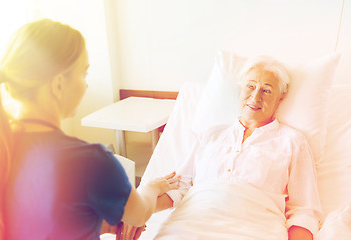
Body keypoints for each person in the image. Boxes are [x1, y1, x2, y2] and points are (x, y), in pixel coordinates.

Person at [0, 19, 179, 240]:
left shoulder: (1, 147)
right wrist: (151, 188)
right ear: (58, 84)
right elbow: (139, 216)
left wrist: (100, 225)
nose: (86, 84)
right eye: (83, 73)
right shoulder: (89, 160)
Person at [123, 56, 322, 240]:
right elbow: (179, 186)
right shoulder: (211, 135)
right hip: (191, 224)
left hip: (255, 228)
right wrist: (137, 214)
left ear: (280, 98)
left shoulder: (292, 142)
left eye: (266, 90)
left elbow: (304, 211)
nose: (255, 96)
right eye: (250, 87)